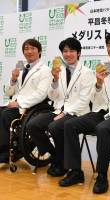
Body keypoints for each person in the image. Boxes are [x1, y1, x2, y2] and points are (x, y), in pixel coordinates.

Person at [58, 29, 110, 194]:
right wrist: (98, 84)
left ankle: (102, 175)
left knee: (102, 128)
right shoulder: (103, 67)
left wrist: (109, 116)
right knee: (70, 124)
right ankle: (75, 171)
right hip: (102, 112)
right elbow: (97, 101)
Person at [26, 37, 96, 176]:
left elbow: (84, 100)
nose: (68, 54)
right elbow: (52, 96)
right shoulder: (60, 71)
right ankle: (56, 155)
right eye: (65, 51)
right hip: (58, 110)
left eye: (71, 51)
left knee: (55, 126)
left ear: (79, 53)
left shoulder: (87, 73)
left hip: (77, 112)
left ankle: (62, 163)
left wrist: (65, 113)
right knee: (32, 125)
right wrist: (55, 81)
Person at [0, 38, 52, 163]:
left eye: (32, 48)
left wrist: (19, 103)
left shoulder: (45, 70)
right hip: (18, 105)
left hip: (34, 107)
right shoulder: (21, 68)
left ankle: (5, 153)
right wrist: (13, 79)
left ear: (39, 51)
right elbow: (9, 92)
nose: (29, 51)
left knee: (6, 114)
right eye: (26, 49)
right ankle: (7, 148)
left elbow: (41, 94)